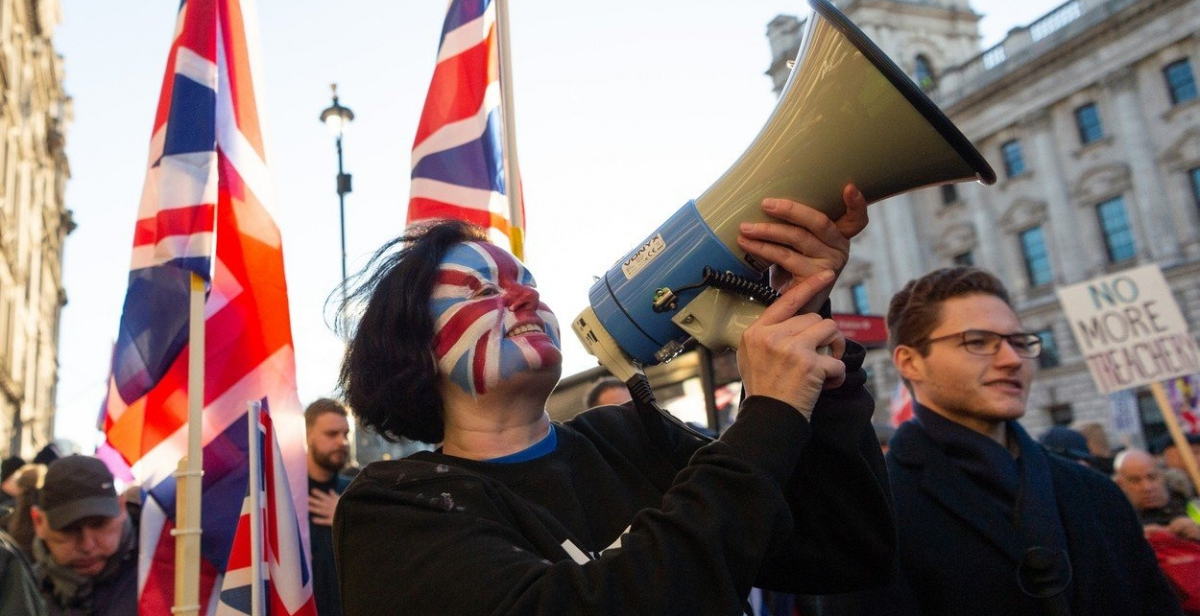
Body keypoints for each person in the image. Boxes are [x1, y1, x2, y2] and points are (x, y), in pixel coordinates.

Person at [333, 189, 895, 614]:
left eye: (527, 282)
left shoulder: (627, 436)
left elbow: (843, 548)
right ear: (413, 349)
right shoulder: (394, 508)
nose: (526, 295)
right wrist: (768, 417)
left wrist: (804, 341)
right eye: (481, 290)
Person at [866, 266, 1181, 615]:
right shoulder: (874, 509)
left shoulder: (1097, 492)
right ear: (910, 362)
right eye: (978, 342)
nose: (1012, 360)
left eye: (1019, 342)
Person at [30, 455, 136, 616]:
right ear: (38, 522)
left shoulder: (159, 576)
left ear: (121, 507)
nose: (87, 545)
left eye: (99, 524)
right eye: (69, 530)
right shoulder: (19, 591)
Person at [1115, 448, 1200, 613]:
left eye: (1152, 477)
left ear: (1163, 475)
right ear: (1120, 484)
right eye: (1135, 480)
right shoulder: (1117, 521)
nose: (1147, 487)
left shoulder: (1193, 506)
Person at [306, 398, 352, 616]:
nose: (342, 442)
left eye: (345, 434)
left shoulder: (354, 493)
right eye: (331, 434)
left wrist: (345, 517)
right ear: (308, 436)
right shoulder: (288, 494)